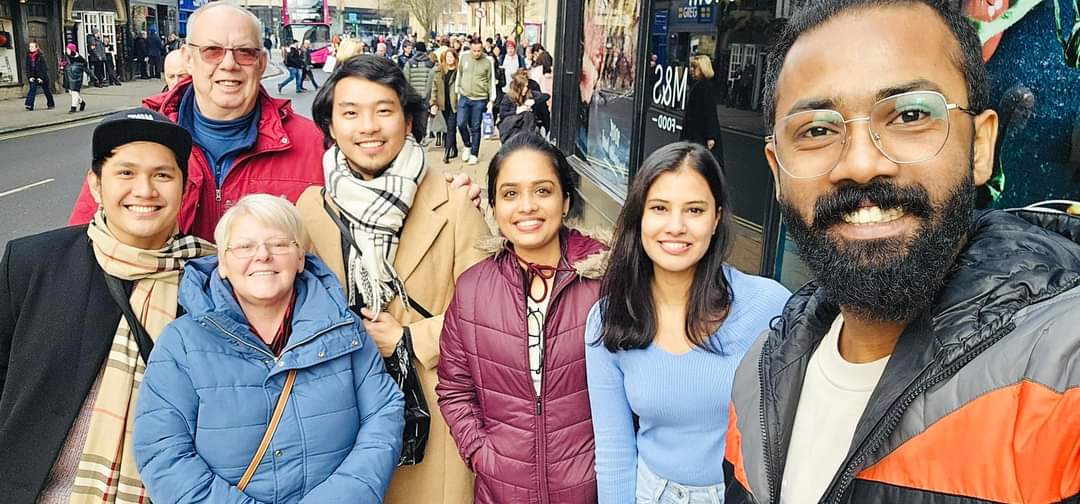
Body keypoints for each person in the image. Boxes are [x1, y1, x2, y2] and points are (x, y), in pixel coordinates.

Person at [723, 0, 1080, 502]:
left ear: (980, 147)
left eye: (911, 114)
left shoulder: (1062, 384)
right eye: (818, 130)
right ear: (777, 169)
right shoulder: (757, 380)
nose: (862, 164)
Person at [296, 54, 490, 504]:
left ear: (407, 120)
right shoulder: (308, 210)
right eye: (350, 113)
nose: (368, 126)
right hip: (340, 413)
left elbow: (490, 314)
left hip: (432, 411)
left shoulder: (455, 203)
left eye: (384, 110)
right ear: (330, 125)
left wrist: (409, 338)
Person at [0, 108, 215, 504]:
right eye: (126, 172)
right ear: (96, 185)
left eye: (163, 175)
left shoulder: (214, 283)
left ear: (184, 189)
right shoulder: (33, 264)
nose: (145, 190)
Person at [134, 194, 405, 503]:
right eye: (244, 247)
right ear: (222, 263)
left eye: (279, 244)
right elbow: (162, 450)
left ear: (301, 257)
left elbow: (382, 418)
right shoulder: (181, 343)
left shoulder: (345, 331)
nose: (262, 255)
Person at [586, 142, 790, 503]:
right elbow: (615, 449)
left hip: (741, 494)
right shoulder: (609, 319)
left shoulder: (769, 306)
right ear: (640, 218)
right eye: (660, 208)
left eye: (694, 210)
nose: (676, 226)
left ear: (716, 219)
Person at [437, 133, 606, 504]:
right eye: (510, 194)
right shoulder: (472, 291)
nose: (527, 206)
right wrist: (482, 454)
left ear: (565, 201)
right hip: (501, 492)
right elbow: (454, 389)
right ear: (494, 207)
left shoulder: (605, 280)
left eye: (543, 191)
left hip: (594, 490)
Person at [68, 2, 326, 242]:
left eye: (245, 52)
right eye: (212, 51)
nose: (229, 64)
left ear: (261, 63)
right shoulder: (136, 136)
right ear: (188, 59)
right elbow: (83, 244)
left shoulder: (315, 146)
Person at [455, 38, 496, 165]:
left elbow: (491, 80)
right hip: (465, 96)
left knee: (475, 126)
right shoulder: (464, 57)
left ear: (482, 49)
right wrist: (457, 90)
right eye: (474, 51)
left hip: (480, 98)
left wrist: (491, 100)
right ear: (471, 49)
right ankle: (467, 144)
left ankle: (474, 153)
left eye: (479, 51)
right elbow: (459, 74)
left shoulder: (487, 62)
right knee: (461, 123)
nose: (476, 53)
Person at [682, 55, 723, 164]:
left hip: (700, 132)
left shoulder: (705, 86)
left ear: (703, 68)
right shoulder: (699, 85)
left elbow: (710, 112)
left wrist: (711, 136)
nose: (692, 70)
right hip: (696, 130)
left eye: (695, 68)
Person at [497, 70, 548, 142]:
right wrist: (517, 111)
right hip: (513, 127)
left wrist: (533, 101)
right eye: (524, 87)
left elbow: (546, 96)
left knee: (528, 115)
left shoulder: (529, 94)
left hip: (526, 125)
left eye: (527, 86)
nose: (526, 89)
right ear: (519, 87)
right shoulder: (508, 98)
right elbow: (503, 115)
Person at [432, 48, 460, 163]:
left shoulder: (458, 71)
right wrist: (433, 103)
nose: (449, 59)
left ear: (455, 58)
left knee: (451, 128)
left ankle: (447, 153)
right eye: (447, 57)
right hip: (443, 104)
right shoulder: (439, 71)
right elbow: (434, 88)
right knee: (449, 127)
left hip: (455, 103)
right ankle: (454, 148)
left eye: (451, 57)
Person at [23, 41, 55, 111]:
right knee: (32, 89)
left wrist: (41, 78)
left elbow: (44, 68)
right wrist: (30, 77)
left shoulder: (41, 56)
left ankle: (51, 104)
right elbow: (27, 68)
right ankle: (29, 105)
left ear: (36, 48)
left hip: (42, 76)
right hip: (33, 76)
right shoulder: (28, 56)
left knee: (47, 90)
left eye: (32, 47)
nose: (30, 48)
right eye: (29, 47)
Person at [64, 44, 87, 113]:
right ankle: (81, 102)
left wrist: (94, 78)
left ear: (72, 50)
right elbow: (65, 63)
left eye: (68, 49)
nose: (66, 50)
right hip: (68, 76)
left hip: (77, 78)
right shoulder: (67, 56)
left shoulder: (80, 59)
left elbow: (86, 69)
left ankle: (73, 107)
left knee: (74, 92)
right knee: (71, 92)